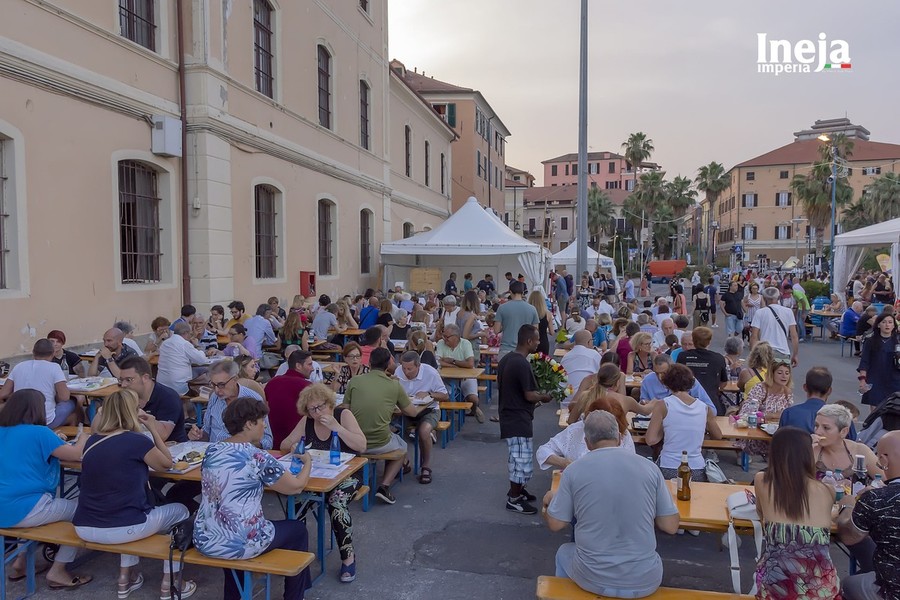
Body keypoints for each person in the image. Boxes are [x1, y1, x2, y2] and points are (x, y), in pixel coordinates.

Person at [73, 390, 196, 599]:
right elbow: (167, 463)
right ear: (132, 412)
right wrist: (153, 428)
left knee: (126, 513)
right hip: (123, 526)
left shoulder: (92, 440)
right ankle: (171, 582)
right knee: (181, 511)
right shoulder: (137, 441)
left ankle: (125, 578)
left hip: (84, 525)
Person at [543, 410, 680, 598]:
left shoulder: (574, 471)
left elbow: (555, 524)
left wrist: (549, 501)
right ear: (619, 437)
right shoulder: (650, 468)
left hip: (593, 577)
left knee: (564, 552)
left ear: (587, 442)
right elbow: (671, 526)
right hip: (645, 579)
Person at [194, 398, 311, 599]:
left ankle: (235, 595)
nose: (265, 425)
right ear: (249, 424)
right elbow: (295, 487)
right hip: (242, 542)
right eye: (261, 420)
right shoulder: (256, 456)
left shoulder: (212, 450)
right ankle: (295, 595)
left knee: (232, 532)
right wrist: (307, 462)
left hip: (205, 536)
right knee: (297, 529)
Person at [0, 389, 92, 590]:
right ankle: (58, 570)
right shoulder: (39, 433)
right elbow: (76, 454)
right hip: (26, 508)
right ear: (36, 410)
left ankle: (20, 563)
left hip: (5, 508)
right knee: (84, 511)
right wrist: (83, 437)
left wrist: (53, 439)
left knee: (28, 506)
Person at [279, 384, 365, 582]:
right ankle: (297, 559)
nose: (317, 412)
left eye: (321, 407)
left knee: (336, 501)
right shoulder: (307, 421)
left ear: (329, 403)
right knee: (296, 501)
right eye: (312, 409)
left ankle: (348, 557)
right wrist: (293, 446)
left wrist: (337, 428)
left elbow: (361, 445)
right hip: (318, 475)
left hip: (348, 473)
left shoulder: (343, 415)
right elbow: (284, 445)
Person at [753, 427, 841, 598]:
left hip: (778, 587)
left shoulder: (762, 481)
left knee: (765, 566)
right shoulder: (827, 490)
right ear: (807, 456)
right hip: (822, 588)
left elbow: (760, 514)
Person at [344, 348, 420, 504]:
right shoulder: (394, 385)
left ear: (369, 362)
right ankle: (384, 486)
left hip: (354, 441)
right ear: (388, 365)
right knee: (402, 446)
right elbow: (412, 412)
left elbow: (346, 408)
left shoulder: (355, 381)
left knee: (392, 435)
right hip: (379, 441)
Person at [837, 430, 900, 600]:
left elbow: (849, 537)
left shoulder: (876, 497)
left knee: (847, 584)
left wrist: (848, 505)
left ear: (885, 460)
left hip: (890, 589)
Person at [498, 324, 551, 514]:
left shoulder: (508, 359)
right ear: (529, 341)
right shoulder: (521, 363)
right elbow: (529, 395)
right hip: (517, 417)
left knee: (519, 457)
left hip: (510, 414)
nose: (539, 342)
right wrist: (544, 397)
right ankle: (514, 498)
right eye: (536, 339)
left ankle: (519, 490)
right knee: (520, 460)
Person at [646, 363, 722, 481]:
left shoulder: (663, 404)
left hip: (668, 465)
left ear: (667, 382)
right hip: (696, 467)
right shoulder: (704, 408)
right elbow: (718, 436)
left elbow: (650, 439)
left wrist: (663, 427)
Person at [538, 389, 636, 471]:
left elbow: (632, 467)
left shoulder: (625, 435)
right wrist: (564, 462)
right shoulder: (578, 429)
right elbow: (543, 451)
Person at [188, 360, 272, 449]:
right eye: (213, 384)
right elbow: (206, 432)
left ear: (235, 379)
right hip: (214, 453)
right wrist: (198, 435)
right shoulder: (214, 397)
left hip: (243, 455)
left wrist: (238, 444)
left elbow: (268, 442)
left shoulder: (253, 400)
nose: (216, 390)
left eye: (221, 384)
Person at [396, 351, 449, 485]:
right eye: (404, 368)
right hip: (406, 410)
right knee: (390, 429)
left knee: (424, 431)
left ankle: (426, 466)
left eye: (410, 369)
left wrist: (429, 393)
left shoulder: (430, 373)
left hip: (429, 410)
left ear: (418, 366)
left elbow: (444, 395)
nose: (406, 372)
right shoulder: (398, 371)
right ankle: (403, 461)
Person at [0, 338, 74, 428]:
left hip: (18, 418)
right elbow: (64, 397)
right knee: (71, 403)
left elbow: (2, 394)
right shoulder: (54, 368)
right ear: (53, 353)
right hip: (44, 421)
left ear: (33, 352)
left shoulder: (19, 366)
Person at [117, 356, 187, 443]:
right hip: (135, 445)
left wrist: (138, 414)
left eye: (128, 380)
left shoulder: (168, 397)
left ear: (145, 378)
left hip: (171, 447)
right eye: (121, 380)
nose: (123, 385)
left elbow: (163, 435)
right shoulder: (124, 397)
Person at [738, 358, 794, 458]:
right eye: (780, 372)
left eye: (787, 373)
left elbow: (788, 415)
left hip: (777, 432)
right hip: (757, 433)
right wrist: (771, 415)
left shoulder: (787, 392)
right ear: (771, 374)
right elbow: (746, 413)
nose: (784, 376)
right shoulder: (760, 389)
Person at [812, 404, 882, 481]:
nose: (818, 432)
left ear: (843, 432)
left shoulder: (860, 451)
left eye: (826, 428)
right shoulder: (812, 449)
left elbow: (885, 480)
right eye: (816, 425)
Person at [435, 324, 485, 423]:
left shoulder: (465, 343)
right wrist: (457, 366)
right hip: (446, 377)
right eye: (443, 335)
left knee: (473, 399)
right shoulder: (441, 343)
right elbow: (438, 361)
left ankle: (474, 409)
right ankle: (447, 418)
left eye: (447, 337)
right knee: (444, 396)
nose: (444, 338)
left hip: (467, 375)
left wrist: (452, 361)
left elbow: (470, 364)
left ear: (456, 337)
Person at [265, 350, 313, 449]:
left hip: (271, 442)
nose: (312, 368)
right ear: (298, 366)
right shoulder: (307, 387)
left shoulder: (272, 382)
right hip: (297, 445)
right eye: (309, 364)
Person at [676, 326, 728, 415]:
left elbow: (676, 379)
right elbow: (723, 383)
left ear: (694, 341)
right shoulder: (718, 358)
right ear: (709, 342)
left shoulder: (682, 356)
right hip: (711, 402)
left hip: (687, 403)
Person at [639, 354, 716, 411]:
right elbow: (643, 403)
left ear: (673, 368)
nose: (660, 377)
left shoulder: (687, 380)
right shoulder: (648, 380)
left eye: (664, 373)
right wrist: (644, 403)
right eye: (656, 373)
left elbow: (712, 410)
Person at [857, 312, 900, 412]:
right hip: (875, 380)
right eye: (884, 322)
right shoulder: (870, 341)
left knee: (893, 412)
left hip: (895, 380)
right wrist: (862, 380)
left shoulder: (897, 342)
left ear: (894, 325)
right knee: (875, 413)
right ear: (879, 325)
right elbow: (864, 362)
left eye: (890, 322)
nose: (887, 325)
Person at [155, 322, 211, 395]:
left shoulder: (165, 343)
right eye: (190, 334)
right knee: (206, 370)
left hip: (162, 385)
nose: (190, 336)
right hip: (179, 387)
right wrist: (197, 346)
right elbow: (202, 360)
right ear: (186, 333)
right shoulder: (184, 343)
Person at [750, 287, 799, 367]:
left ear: (764, 298)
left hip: (765, 351)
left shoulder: (759, 313)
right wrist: (795, 354)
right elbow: (794, 336)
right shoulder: (788, 312)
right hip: (783, 351)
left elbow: (754, 337)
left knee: (764, 378)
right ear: (778, 297)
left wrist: (753, 355)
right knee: (781, 378)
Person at [560, 331, 602, 401]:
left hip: (566, 398)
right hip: (586, 400)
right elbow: (602, 375)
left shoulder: (566, 357)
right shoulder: (594, 355)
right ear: (589, 342)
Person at [528, 290, 555, 355]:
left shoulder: (529, 313)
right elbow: (552, 332)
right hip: (543, 341)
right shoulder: (548, 314)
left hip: (530, 342)